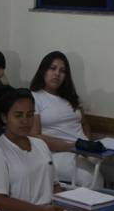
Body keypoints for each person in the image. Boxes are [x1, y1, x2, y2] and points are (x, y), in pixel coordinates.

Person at [29, 51, 97, 186]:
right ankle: (81, 206)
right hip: (56, 153)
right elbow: (35, 135)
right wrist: (70, 147)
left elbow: (84, 124)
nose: (57, 74)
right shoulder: (34, 97)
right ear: (43, 71)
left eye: (62, 71)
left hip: (82, 150)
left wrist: (87, 144)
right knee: (90, 177)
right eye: (52, 68)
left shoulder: (70, 97)